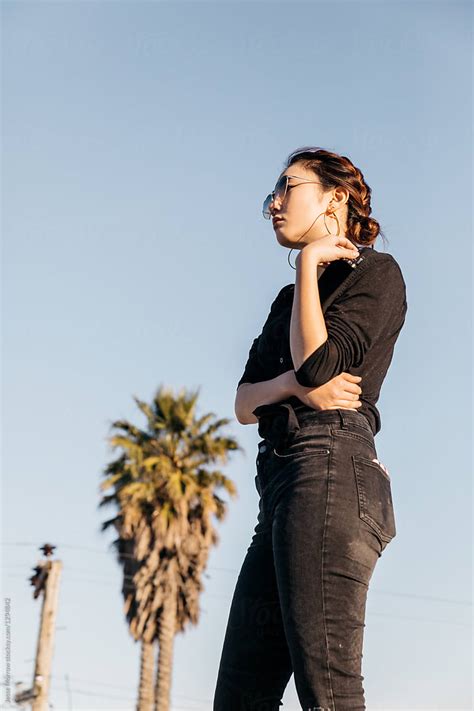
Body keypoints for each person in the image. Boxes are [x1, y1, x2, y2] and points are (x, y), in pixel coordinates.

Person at [213, 147, 408, 711]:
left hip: (330, 466)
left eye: (287, 187)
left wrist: (307, 266)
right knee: (239, 699)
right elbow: (245, 403)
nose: (272, 203)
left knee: (328, 694)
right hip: (277, 485)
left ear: (335, 198)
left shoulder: (375, 274)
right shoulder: (286, 302)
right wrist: (291, 387)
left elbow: (319, 365)